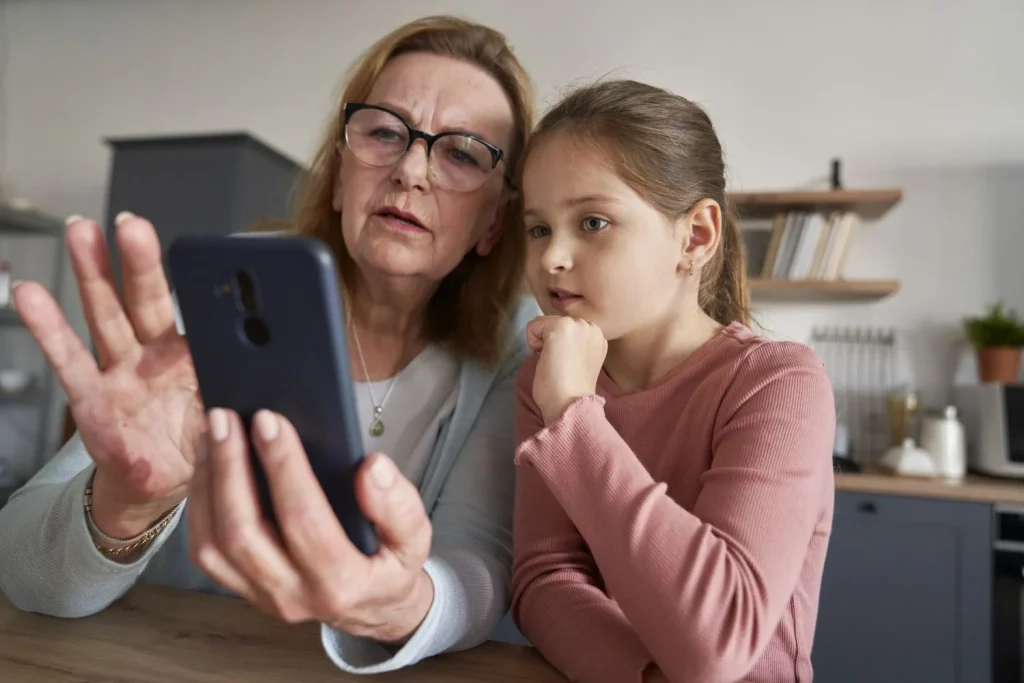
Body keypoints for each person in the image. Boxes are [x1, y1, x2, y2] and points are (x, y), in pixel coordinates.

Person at [0, 15, 539, 675]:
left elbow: (478, 556)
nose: (411, 169)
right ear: (342, 174)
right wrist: (126, 502)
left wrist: (399, 605)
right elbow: (24, 573)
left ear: (494, 222)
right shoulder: (233, 285)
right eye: (385, 132)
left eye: (461, 152)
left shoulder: (516, 340)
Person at [509, 79, 836, 683]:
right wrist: (647, 674)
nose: (552, 256)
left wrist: (574, 416)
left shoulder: (777, 381)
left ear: (696, 236)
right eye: (538, 228)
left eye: (594, 222)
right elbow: (543, 578)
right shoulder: (545, 380)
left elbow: (718, 640)